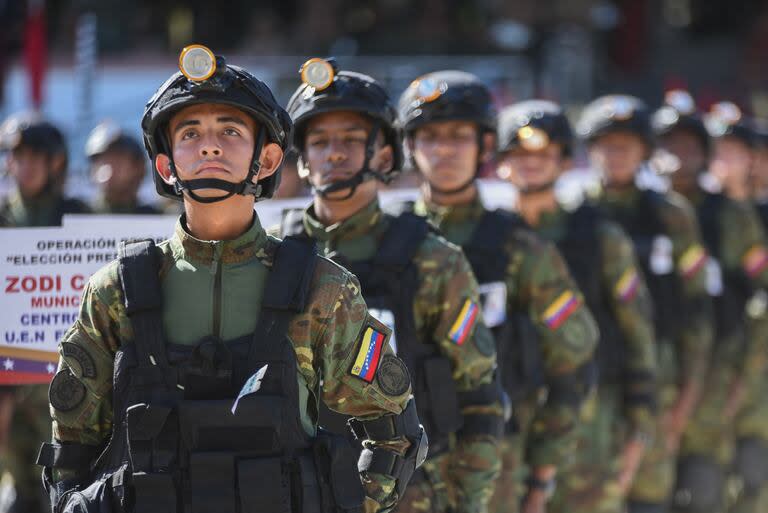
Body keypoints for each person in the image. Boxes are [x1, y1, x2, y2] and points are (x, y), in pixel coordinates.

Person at [36, 45, 426, 513]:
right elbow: (72, 445)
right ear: (165, 165)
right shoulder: (116, 291)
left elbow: (393, 430)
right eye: (190, 132)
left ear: (266, 160)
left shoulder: (322, 288)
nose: (210, 145)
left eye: (231, 130)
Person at [279, 60, 501, 513]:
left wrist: (470, 501)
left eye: (350, 140)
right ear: (302, 162)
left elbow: (479, 398)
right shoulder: (276, 257)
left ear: (383, 156)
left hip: (414, 493)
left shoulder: (435, 260)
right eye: (319, 142)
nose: (333, 154)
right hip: (299, 490)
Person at [397, 71, 598, 513]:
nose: (444, 150)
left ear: (485, 148)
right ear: (410, 147)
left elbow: (573, 366)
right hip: (398, 470)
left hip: (495, 470)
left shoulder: (522, 249)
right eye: (429, 136)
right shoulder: (386, 241)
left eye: (458, 136)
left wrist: (541, 479)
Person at [495, 99, 657, 513]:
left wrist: (639, 428)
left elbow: (638, 333)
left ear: (566, 162)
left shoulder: (600, 237)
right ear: (500, 163)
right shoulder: (486, 238)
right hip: (508, 422)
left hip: (590, 424)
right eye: (519, 154)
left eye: (544, 154)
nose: (531, 165)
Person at [577, 94, 714, 513]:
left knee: (650, 493)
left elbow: (697, 308)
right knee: (591, 491)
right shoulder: (576, 214)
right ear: (591, 150)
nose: (616, 155)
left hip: (659, 373)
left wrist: (689, 390)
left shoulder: (672, 216)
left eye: (627, 145)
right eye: (607, 145)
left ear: (644, 151)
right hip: (591, 378)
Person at [654, 94, 768, 513]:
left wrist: (746, 374)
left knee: (705, 484)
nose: (677, 156)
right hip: (655, 371)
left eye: (688, 146)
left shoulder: (732, 217)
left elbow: (761, 288)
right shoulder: (643, 213)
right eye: (668, 145)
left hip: (718, 367)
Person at [0, 115, 89, 513]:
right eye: (18, 156)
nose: (26, 165)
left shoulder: (81, 217)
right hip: (7, 377)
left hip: (67, 373)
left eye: (37, 156)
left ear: (57, 163)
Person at [84, 120, 160, 214]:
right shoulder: (80, 214)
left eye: (117, 160)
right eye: (101, 161)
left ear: (139, 168)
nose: (107, 167)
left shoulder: (154, 217)